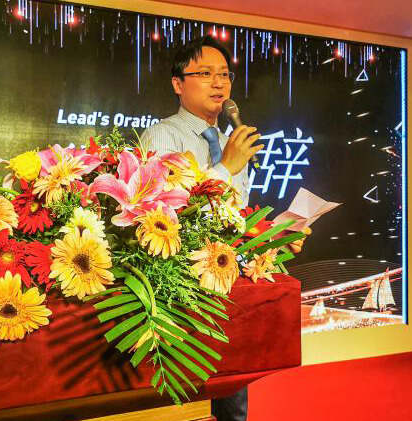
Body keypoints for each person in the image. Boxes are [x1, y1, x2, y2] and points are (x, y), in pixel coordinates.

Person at [140, 35, 263, 421]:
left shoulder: (229, 141)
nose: (219, 83)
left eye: (224, 75)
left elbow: (233, 218)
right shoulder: (163, 135)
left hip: (227, 286)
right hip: (182, 294)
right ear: (178, 84)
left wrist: (268, 239)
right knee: (187, 405)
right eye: (205, 74)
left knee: (232, 405)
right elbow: (165, 214)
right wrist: (226, 167)